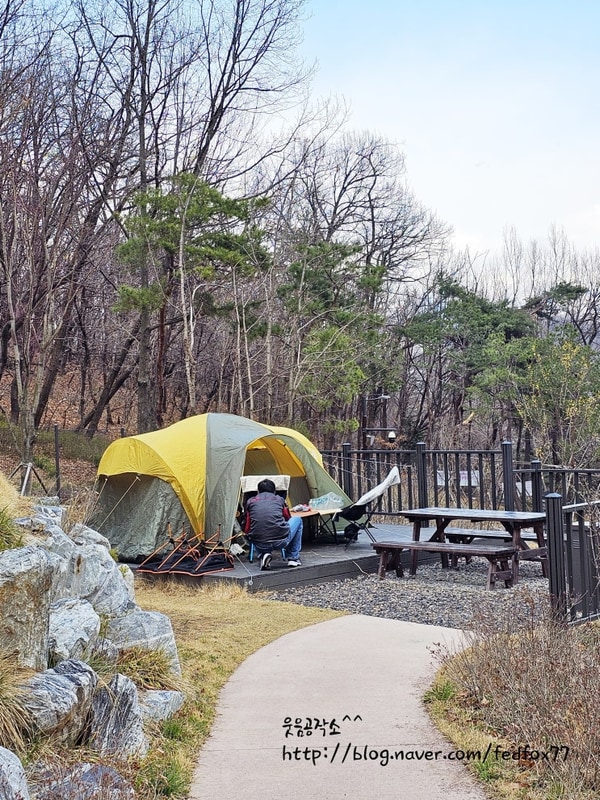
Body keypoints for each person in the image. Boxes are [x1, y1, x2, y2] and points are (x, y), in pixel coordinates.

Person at [243, 478, 303, 570]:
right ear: (274, 491)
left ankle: (265, 554)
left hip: (259, 544)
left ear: (258, 491)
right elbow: (287, 518)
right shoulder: (279, 500)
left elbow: (247, 527)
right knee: (297, 519)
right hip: (280, 541)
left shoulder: (251, 502)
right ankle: (293, 558)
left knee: (260, 531)